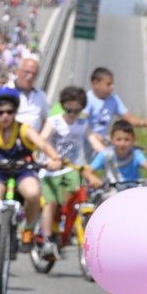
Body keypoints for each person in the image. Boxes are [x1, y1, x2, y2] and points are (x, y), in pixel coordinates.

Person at [0, 86, 64, 272]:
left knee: (34, 193)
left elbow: (43, 144)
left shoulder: (24, 129)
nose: (5, 116)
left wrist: (55, 159)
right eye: (0, 112)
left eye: (9, 112)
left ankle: (28, 228)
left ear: (15, 112)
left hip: (22, 170)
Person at [35, 85, 91, 260]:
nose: (73, 114)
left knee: (77, 195)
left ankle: (70, 227)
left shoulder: (83, 124)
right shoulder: (54, 121)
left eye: (77, 110)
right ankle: (46, 239)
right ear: (63, 106)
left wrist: (107, 151)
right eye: (69, 110)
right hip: (52, 169)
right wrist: (51, 159)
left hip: (71, 168)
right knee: (50, 203)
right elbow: (41, 140)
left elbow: (94, 140)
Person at [82, 66, 147, 153]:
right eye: (108, 84)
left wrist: (143, 122)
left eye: (112, 84)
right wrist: (95, 136)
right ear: (95, 83)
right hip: (87, 140)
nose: (112, 87)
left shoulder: (114, 99)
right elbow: (81, 122)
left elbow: (127, 117)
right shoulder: (86, 99)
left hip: (104, 140)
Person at [84, 119, 147, 188]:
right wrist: (93, 178)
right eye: (118, 139)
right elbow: (86, 171)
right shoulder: (105, 155)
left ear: (133, 140)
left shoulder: (136, 154)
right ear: (112, 140)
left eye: (126, 139)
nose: (122, 143)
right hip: (111, 192)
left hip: (134, 190)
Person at [11, 56, 49, 129]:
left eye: (34, 74)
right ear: (18, 71)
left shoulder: (41, 95)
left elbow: (46, 119)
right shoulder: (6, 92)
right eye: (27, 72)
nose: (30, 76)